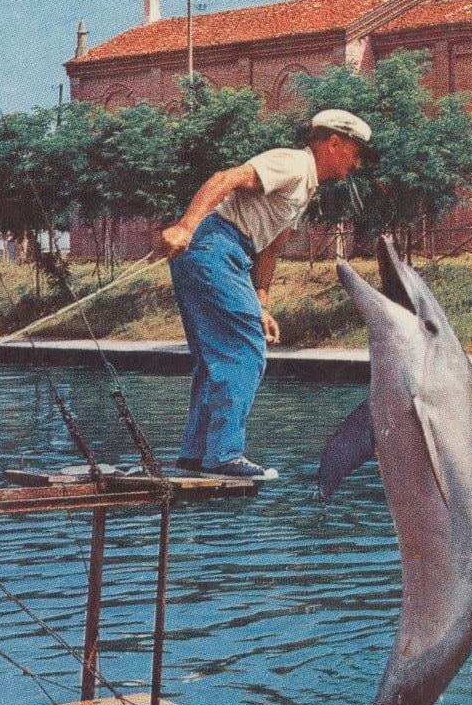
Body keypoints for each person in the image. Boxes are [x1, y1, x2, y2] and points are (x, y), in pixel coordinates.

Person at [159, 108, 373, 480]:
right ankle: (224, 454)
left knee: (214, 359)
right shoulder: (292, 164)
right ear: (334, 143)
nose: (357, 163)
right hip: (214, 245)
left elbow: (271, 248)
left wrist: (261, 302)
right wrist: (186, 226)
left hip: (223, 254)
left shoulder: (305, 188)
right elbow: (224, 178)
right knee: (245, 352)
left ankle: (195, 455)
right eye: (356, 152)